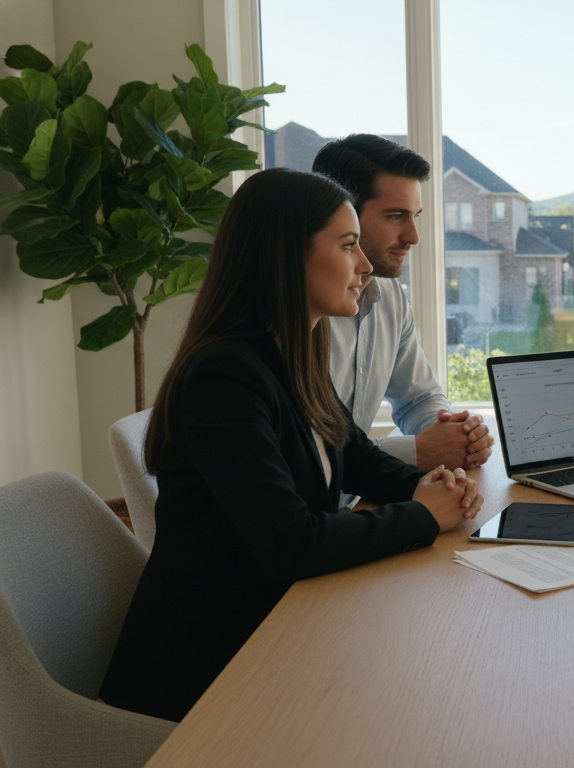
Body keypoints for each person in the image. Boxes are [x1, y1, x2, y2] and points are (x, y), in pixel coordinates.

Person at [99, 169, 484, 722]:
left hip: (279, 623)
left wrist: (440, 487)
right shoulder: (223, 377)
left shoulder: (293, 352)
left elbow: (359, 461)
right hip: (208, 673)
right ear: (286, 255)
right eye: (349, 246)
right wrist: (424, 514)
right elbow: (292, 542)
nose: (366, 266)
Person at [311, 134, 494, 474]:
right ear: (342, 213)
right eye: (396, 216)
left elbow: (418, 398)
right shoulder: (302, 309)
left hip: (364, 499)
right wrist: (418, 451)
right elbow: (306, 453)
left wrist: (457, 434)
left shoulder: (390, 295)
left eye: (415, 216)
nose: (414, 236)